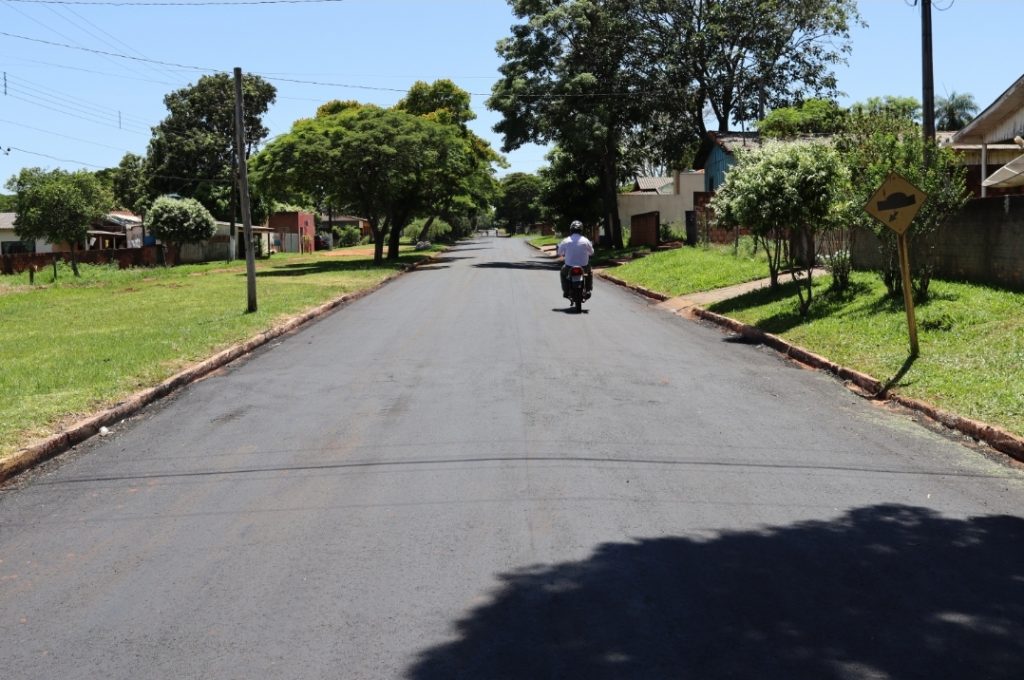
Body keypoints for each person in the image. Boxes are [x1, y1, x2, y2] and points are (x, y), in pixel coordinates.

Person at [556, 220, 594, 299]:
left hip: (569, 267)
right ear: (581, 230)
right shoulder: (586, 240)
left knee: (563, 273)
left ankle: (566, 291)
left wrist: (563, 254)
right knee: (590, 272)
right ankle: (588, 290)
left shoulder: (566, 240)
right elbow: (591, 252)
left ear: (571, 230)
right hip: (584, 267)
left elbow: (559, 253)